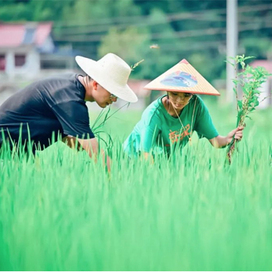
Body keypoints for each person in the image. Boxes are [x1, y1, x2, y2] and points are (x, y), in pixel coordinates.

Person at [0, 53, 138, 169]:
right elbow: (96, 154)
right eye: (112, 94)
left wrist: (81, 140)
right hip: (5, 144)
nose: (114, 100)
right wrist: (120, 175)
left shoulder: (70, 87)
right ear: (96, 84)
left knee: (38, 185)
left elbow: (74, 144)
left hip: (20, 149)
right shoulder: (71, 101)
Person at [123, 59, 243, 159]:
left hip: (165, 160)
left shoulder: (196, 106)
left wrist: (228, 139)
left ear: (192, 94)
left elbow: (215, 141)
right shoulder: (154, 114)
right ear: (167, 90)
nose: (180, 100)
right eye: (175, 94)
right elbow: (145, 155)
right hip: (133, 157)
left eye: (186, 95)